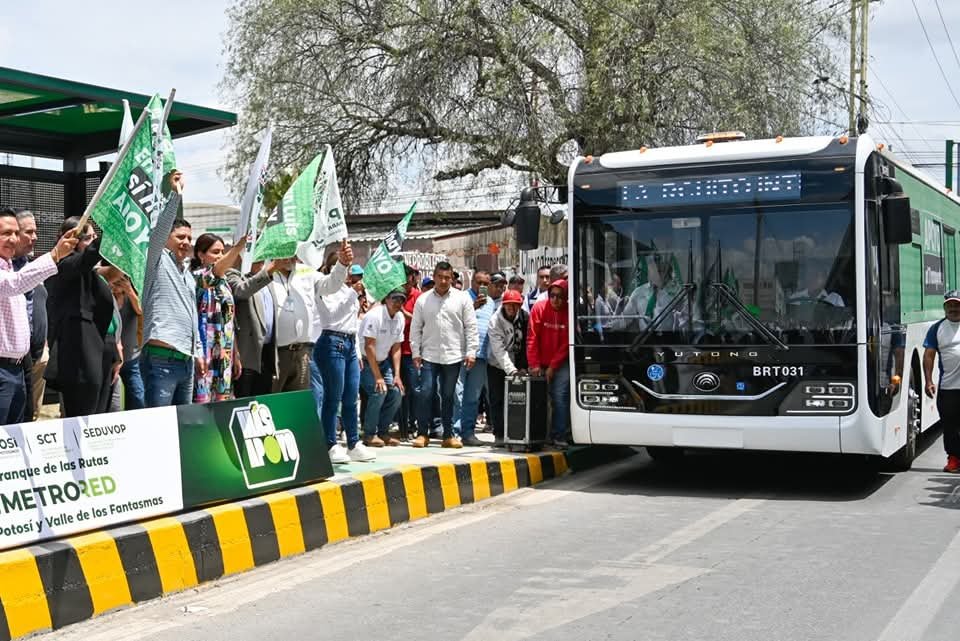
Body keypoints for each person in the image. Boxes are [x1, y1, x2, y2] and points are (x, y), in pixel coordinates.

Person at [0, 209, 76, 424]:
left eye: (16, 233)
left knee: (15, 437)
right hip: (2, 370)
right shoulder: (11, 275)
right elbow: (14, 285)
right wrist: (54, 255)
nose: (13, 239)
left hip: (19, 367)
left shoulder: (10, 267)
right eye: (6, 233)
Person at [44, 217, 124, 418]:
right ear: (73, 241)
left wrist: (114, 351)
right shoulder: (65, 265)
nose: (94, 241)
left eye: (95, 237)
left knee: (100, 417)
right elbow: (87, 258)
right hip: (81, 358)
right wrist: (115, 226)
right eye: (89, 238)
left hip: (104, 352)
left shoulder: (95, 275)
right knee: (83, 415)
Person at [409, 261, 478, 448]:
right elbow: (415, 328)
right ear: (434, 276)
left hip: (453, 355)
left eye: (447, 277)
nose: (443, 281)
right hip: (429, 355)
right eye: (440, 277)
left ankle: (448, 435)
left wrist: (471, 352)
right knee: (425, 393)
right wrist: (416, 352)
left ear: (452, 278)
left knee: (448, 395)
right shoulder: (423, 300)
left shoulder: (462, 298)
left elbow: (471, 327)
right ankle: (422, 433)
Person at [315, 247, 373, 464]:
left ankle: (354, 442)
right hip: (331, 341)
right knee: (333, 395)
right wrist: (353, 294)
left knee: (351, 396)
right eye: (344, 267)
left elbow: (352, 325)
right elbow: (332, 316)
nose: (348, 274)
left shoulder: (349, 292)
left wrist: (357, 352)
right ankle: (330, 443)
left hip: (349, 343)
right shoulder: (325, 287)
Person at [269, 241, 350, 393]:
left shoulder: (306, 272)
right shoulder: (267, 274)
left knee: (297, 405)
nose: (290, 257)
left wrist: (342, 265)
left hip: (302, 353)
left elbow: (330, 285)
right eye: (285, 252)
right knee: (273, 403)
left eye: (292, 252)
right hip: (275, 354)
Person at [190, 233, 248, 402]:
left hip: (225, 354)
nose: (221, 256)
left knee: (222, 404)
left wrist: (235, 354)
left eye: (223, 252)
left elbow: (229, 321)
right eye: (215, 252)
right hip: (205, 352)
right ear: (201, 255)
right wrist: (238, 248)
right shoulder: (196, 277)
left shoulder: (225, 283)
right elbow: (214, 273)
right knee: (202, 404)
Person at [10, 208, 49, 421]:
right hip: (12, 359)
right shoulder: (7, 271)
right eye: (29, 232)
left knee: (32, 415)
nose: (34, 237)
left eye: (36, 231)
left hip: (39, 355)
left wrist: (45, 345)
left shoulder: (33, 267)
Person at [358, 289, 407, 447]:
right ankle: (369, 434)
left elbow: (397, 348)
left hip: (383, 361)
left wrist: (397, 375)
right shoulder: (374, 315)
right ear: (386, 299)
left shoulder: (399, 317)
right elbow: (369, 347)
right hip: (365, 361)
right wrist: (378, 377)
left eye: (401, 299)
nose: (398, 302)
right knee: (379, 391)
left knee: (397, 392)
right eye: (394, 299)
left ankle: (383, 432)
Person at [228, 260, 282, 398]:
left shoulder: (269, 280)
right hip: (247, 356)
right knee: (243, 402)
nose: (261, 260)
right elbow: (242, 291)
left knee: (261, 403)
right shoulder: (234, 275)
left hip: (266, 353)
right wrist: (268, 272)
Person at [527, 279, 570, 448]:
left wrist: (553, 367)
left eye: (560, 296)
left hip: (560, 363)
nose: (555, 300)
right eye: (552, 295)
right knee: (538, 399)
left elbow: (566, 344)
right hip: (540, 362)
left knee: (559, 397)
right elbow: (532, 337)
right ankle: (538, 435)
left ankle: (559, 435)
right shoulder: (539, 308)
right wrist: (535, 364)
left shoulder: (568, 312)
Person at [454, 270, 494, 446]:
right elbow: (454, 322)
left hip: (481, 356)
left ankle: (468, 433)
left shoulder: (491, 302)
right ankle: (454, 432)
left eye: (486, 283)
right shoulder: (461, 298)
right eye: (479, 282)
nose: (482, 287)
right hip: (461, 354)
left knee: (472, 397)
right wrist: (473, 306)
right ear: (472, 282)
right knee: (457, 394)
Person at [924, 290, 960, 473]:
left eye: (957, 305)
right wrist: (928, 380)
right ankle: (954, 459)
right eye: (950, 305)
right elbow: (929, 355)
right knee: (950, 425)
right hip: (949, 387)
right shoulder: (937, 329)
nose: (953, 308)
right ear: (945, 307)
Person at [487, 289, 529, 446]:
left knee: (517, 400)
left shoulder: (525, 317)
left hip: (518, 363)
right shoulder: (495, 321)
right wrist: (512, 371)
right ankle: (498, 434)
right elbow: (499, 351)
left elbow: (527, 343)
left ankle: (516, 432)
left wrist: (524, 366)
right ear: (503, 305)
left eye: (515, 305)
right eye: (508, 305)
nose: (511, 308)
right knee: (497, 399)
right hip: (497, 364)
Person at [111, 275, 145, 409]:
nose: (117, 285)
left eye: (121, 281)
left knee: (138, 398)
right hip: (112, 359)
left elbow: (140, 310)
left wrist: (129, 290)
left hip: (132, 358)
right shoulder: (107, 295)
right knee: (113, 403)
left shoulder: (131, 297)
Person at [398, 265, 422, 439]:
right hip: (395, 350)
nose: (405, 281)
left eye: (407, 277)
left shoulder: (419, 297)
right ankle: (402, 426)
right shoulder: (393, 295)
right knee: (400, 392)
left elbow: (419, 321)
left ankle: (414, 424)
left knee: (414, 390)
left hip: (412, 350)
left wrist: (403, 312)